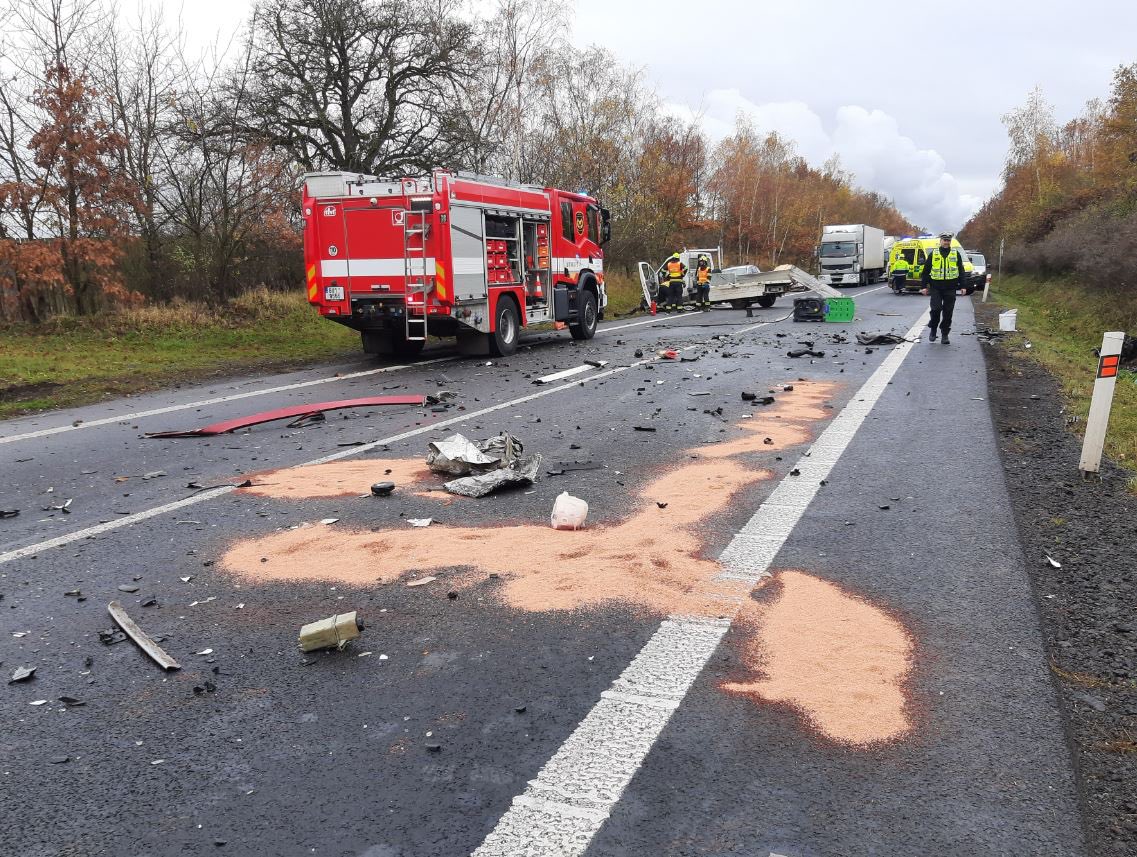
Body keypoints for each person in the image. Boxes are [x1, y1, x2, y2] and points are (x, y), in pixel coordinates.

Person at [920, 233, 966, 344]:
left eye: (948, 240)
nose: (946, 242)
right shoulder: (934, 254)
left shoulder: (956, 254)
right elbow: (925, 272)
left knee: (948, 312)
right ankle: (933, 329)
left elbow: (961, 271)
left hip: (950, 288)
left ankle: (945, 334)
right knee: (936, 309)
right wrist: (924, 287)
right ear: (940, 241)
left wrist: (963, 286)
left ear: (950, 242)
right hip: (936, 287)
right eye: (944, 240)